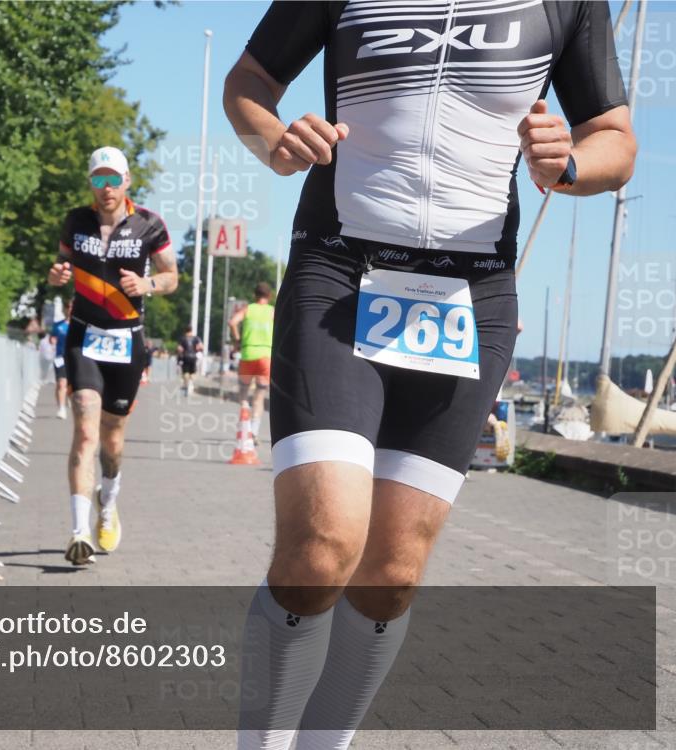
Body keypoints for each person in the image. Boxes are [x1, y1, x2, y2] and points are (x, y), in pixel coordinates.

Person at [224, 2, 635, 747]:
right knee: (322, 548)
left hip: (469, 299)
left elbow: (615, 139)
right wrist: (273, 140)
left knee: (392, 573)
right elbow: (249, 81)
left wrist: (568, 163)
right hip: (341, 276)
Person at [47, 146, 178, 565]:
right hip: (84, 334)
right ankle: (78, 532)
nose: (106, 188)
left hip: (127, 340)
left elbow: (171, 276)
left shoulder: (149, 225)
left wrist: (149, 286)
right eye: (98, 180)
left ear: (127, 181)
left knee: (112, 439)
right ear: (91, 183)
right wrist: (57, 274)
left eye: (113, 180)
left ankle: (109, 501)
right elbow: (61, 265)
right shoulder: (76, 221)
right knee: (85, 430)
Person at [229, 281, 274, 444]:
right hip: (266, 357)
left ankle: (244, 423)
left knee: (244, 393)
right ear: (269, 296)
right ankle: (253, 432)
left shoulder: (248, 309)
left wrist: (237, 339)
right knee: (259, 396)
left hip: (247, 354)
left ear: (255, 295)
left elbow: (232, 322)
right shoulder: (272, 312)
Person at [50, 300, 72, 419]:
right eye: (67, 307)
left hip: (74, 358)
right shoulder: (58, 325)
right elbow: (52, 337)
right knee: (61, 383)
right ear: (64, 309)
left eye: (72, 307)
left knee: (70, 384)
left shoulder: (79, 325)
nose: (70, 309)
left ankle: (68, 397)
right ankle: (61, 408)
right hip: (60, 357)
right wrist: (52, 340)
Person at [176, 326, 203, 395]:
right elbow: (201, 346)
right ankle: (191, 383)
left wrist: (180, 354)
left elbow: (179, 348)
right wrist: (197, 349)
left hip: (185, 357)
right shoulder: (196, 338)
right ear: (191, 330)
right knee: (193, 372)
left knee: (185, 372)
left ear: (185, 331)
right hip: (193, 357)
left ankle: (186, 384)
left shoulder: (182, 338)